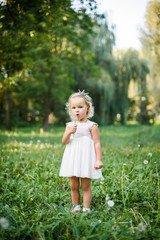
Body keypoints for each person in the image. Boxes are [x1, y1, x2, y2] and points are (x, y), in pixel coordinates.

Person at [59, 90, 103, 213]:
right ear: (70, 110)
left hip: (86, 159)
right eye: (73, 107)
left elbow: (97, 143)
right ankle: (76, 206)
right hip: (72, 158)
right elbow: (64, 141)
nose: (77, 110)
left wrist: (98, 159)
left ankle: (86, 208)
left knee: (85, 185)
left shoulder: (92, 125)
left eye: (80, 107)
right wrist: (68, 132)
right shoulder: (69, 125)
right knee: (73, 185)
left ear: (87, 108)